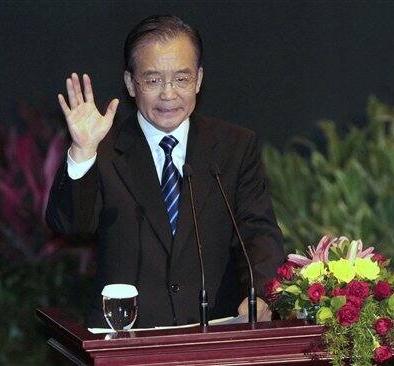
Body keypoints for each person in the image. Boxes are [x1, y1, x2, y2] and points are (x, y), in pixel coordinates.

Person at [46, 15, 284, 328]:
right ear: (131, 83)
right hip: (125, 338)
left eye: (181, 79)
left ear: (198, 79)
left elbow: (258, 232)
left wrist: (262, 294)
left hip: (216, 331)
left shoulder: (234, 147)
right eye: (153, 80)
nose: (168, 94)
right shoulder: (103, 147)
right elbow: (70, 224)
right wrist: (83, 151)